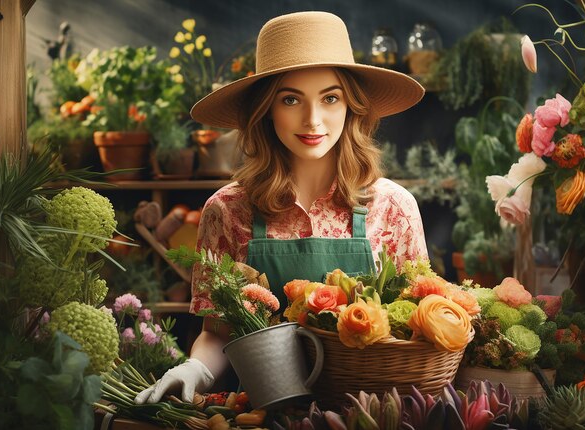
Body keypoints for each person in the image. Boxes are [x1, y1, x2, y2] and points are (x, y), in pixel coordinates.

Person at [136, 10, 428, 404]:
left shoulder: (392, 207)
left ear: (351, 106)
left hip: (364, 412)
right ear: (266, 109)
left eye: (330, 98)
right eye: (291, 99)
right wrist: (195, 369)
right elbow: (216, 333)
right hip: (259, 413)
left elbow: (415, 330)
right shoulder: (227, 211)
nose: (312, 119)